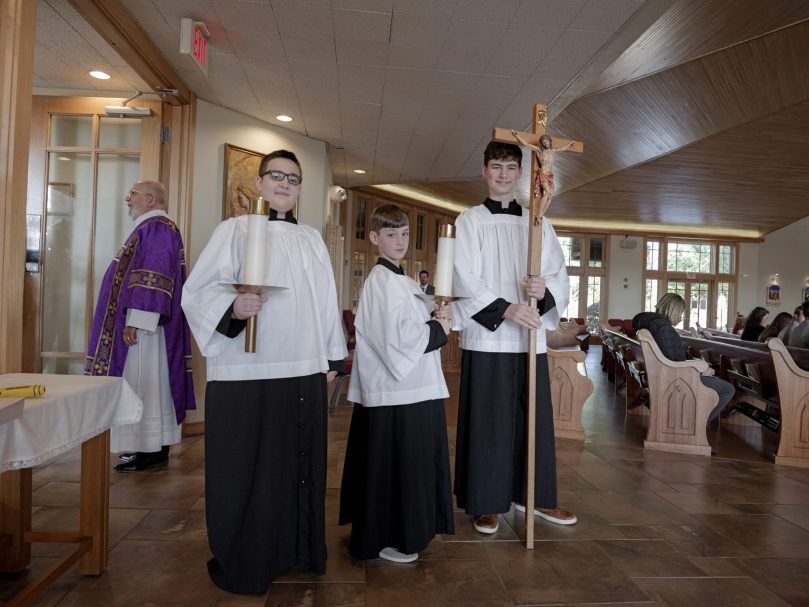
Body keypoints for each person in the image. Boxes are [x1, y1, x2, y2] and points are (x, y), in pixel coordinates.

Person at [181, 150, 347, 594]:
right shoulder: (233, 230)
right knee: (249, 468)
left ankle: (295, 549)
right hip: (247, 370)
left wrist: (332, 357)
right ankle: (249, 556)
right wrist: (233, 307)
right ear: (258, 183)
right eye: (276, 175)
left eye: (293, 178)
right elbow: (196, 292)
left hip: (303, 367)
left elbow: (327, 301)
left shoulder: (312, 238)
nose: (285, 183)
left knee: (297, 465)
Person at [451, 139, 576, 535]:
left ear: (521, 173)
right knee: (489, 421)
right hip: (489, 338)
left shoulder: (537, 222)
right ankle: (486, 502)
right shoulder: (469, 221)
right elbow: (464, 275)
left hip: (529, 340)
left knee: (533, 420)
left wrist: (542, 292)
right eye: (496, 167)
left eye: (510, 167)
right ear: (484, 171)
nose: (503, 174)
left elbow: (559, 272)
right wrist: (507, 308)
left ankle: (535, 497)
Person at [339, 204, 454, 564]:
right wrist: (439, 329)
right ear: (374, 238)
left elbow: (410, 324)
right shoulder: (382, 281)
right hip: (397, 394)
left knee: (404, 464)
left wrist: (435, 314)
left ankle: (395, 532)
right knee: (395, 466)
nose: (400, 240)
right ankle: (388, 536)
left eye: (404, 233)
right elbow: (396, 340)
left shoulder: (401, 280)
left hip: (409, 390)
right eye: (391, 234)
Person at [84, 181, 196, 472]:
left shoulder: (157, 228)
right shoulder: (151, 227)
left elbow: (153, 274)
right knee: (145, 382)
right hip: (142, 322)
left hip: (145, 327)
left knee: (147, 381)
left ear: (150, 199)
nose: (127, 198)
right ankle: (147, 447)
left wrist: (138, 321)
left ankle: (152, 449)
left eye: (132, 194)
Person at [633, 293, 735, 430]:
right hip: (675, 379)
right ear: (673, 310)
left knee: (715, 379)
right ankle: (697, 426)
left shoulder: (653, 325)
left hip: (664, 375)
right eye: (681, 312)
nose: (681, 317)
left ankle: (695, 422)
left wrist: (696, 365)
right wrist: (700, 371)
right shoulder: (664, 329)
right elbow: (673, 363)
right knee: (727, 389)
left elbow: (670, 357)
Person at [511, 129, 574, 214]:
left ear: (549, 141)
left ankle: (541, 214)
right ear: (542, 144)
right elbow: (526, 144)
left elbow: (562, 149)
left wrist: (569, 144)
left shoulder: (553, 151)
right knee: (547, 192)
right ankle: (539, 213)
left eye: (547, 141)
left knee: (551, 195)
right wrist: (516, 135)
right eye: (544, 143)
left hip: (550, 175)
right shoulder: (539, 150)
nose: (546, 143)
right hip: (543, 174)